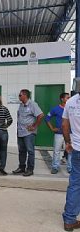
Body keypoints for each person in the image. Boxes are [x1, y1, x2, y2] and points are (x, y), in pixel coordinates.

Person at [13, 89, 44, 177]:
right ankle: (22, 167)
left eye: (20, 95)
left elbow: (41, 115)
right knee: (21, 151)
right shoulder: (21, 105)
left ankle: (30, 169)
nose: (19, 96)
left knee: (30, 151)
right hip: (20, 132)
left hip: (29, 133)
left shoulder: (33, 104)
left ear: (25, 96)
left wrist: (34, 126)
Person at [62, 92, 80, 231]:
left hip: (77, 148)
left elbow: (65, 124)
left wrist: (68, 142)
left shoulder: (71, 102)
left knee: (75, 184)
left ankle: (69, 220)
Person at [45, 92, 71, 174]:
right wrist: (52, 128)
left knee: (70, 151)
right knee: (56, 151)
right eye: (67, 98)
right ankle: (55, 167)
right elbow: (47, 118)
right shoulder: (55, 109)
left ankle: (70, 168)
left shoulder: (71, 108)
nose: (69, 99)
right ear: (62, 99)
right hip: (59, 134)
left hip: (70, 134)